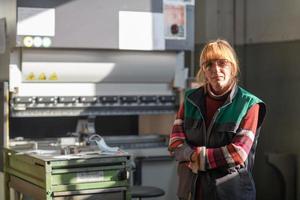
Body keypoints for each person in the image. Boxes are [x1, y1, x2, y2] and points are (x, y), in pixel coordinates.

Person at [168, 39, 266, 200]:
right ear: (203, 71)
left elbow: (238, 152)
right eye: (209, 64)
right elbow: (175, 142)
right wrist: (196, 156)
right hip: (191, 192)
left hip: (230, 194)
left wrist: (196, 157)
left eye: (222, 63)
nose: (215, 69)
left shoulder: (249, 104)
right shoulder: (190, 99)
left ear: (233, 67)